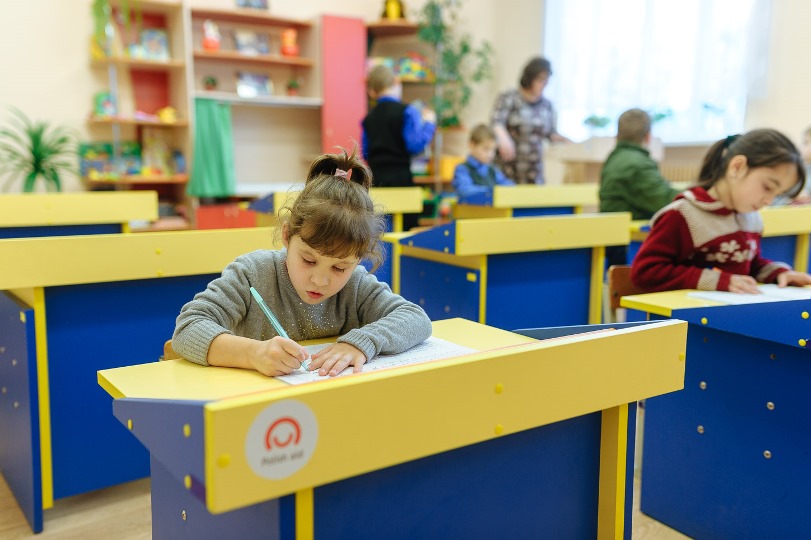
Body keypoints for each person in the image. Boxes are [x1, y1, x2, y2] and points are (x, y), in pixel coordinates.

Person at [172, 147, 433, 378]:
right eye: (308, 260)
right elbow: (187, 329)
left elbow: (416, 319)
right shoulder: (252, 274)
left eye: (340, 267)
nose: (319, 280)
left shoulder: (356, 286)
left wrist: (360, 342)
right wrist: (254, 354)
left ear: (359, 259)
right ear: (287, 236)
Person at [631, 128, 811, 293]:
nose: (769, 201)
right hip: (688, 314)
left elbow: (749, 264)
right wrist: (719, 281)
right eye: (767, 187)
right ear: (737, 167)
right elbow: (645, 272)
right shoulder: (683, 214)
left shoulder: (751, 217)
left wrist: (778, 273)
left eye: (777, 194)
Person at [599, 108, 681, 266]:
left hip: (615, 239)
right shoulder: (638, 165)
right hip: (628, 247)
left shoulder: (615, 158)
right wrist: (699, 193)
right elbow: (665, 200)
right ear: (648, 136)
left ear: (618, 136)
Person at [362, 64, 437, 230]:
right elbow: (414, 145)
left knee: (379, 229)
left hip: (377, 180)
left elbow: (365, 153)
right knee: (406, 230)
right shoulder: (407, 111)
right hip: (401, 179)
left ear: (372, 92)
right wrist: (429, 124)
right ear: (396, 82)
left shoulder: (369, 118)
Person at [490, 56, 570, 185]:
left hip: (533, 170)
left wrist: (569, 142)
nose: (544, 84)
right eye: (541, 79)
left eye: (546, 80)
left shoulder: (546, 105)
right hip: (508, 167)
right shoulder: (509, 98)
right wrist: (504, 139)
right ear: (530, 77)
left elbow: (550, 133)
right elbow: (496, 122)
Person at [452, 123, 515, 198]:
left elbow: (507, 185)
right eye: (486, 149)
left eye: (493, 150)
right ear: (472, 145)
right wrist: (491, 191)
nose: (490, 154)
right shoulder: (462, 169)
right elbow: (464, 190)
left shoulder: (493, 170)